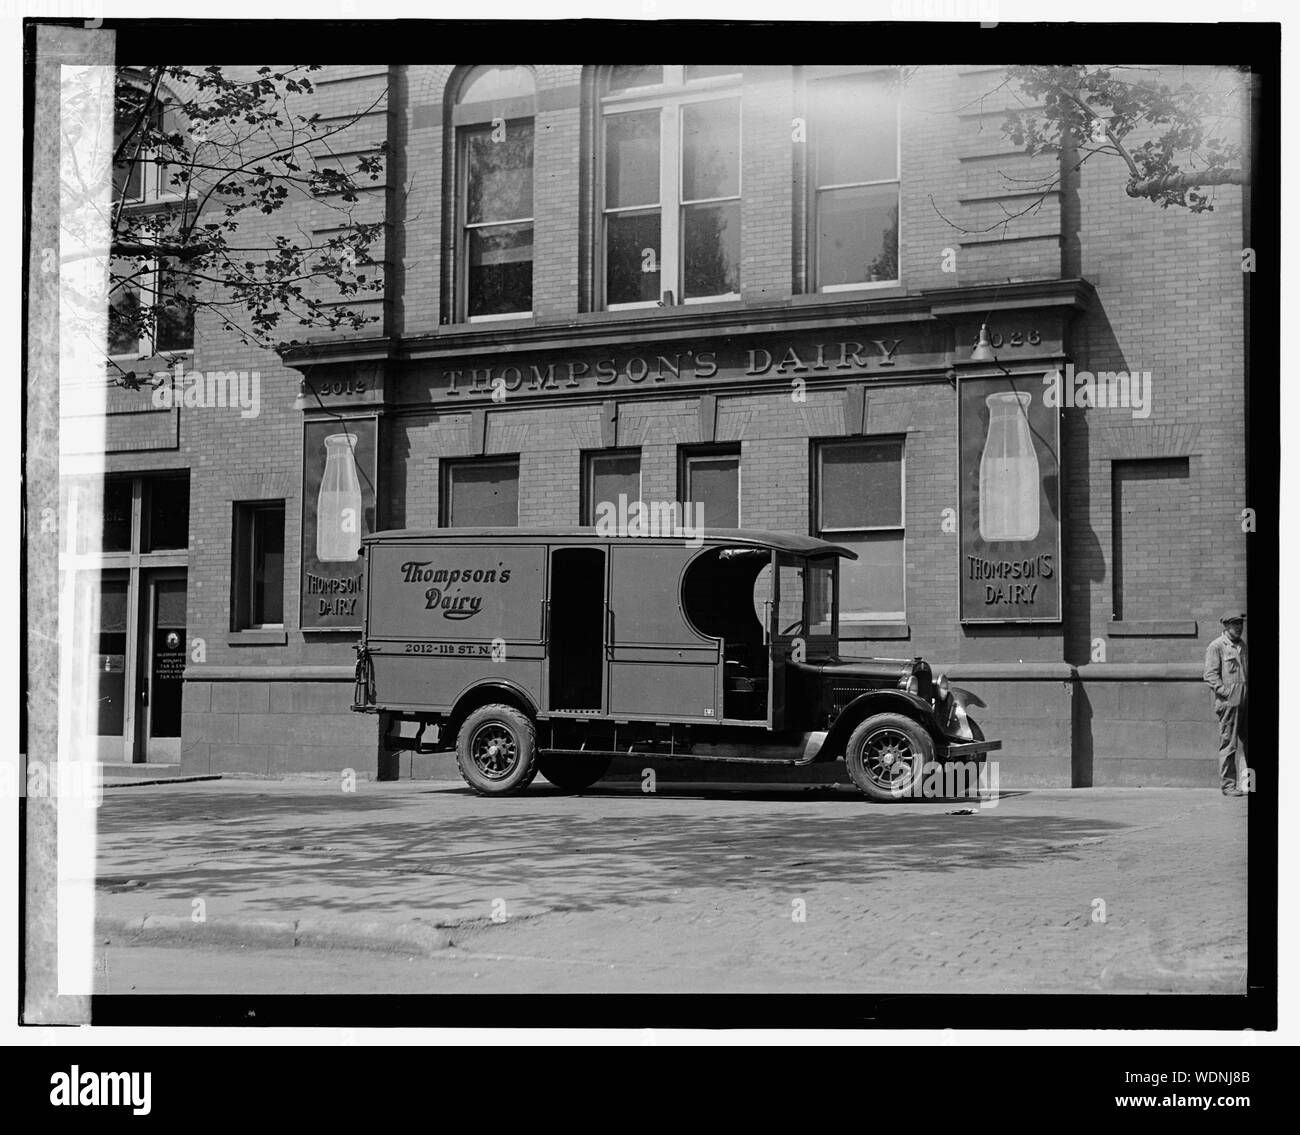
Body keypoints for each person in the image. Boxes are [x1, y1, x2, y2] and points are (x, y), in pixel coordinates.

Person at [1203, 611, 1248, 796]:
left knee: (1248, 744)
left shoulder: (1242, 645)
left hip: (1246, 701)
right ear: (1226, 626)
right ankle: (1228, 786)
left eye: (1240, 624)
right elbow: (1210, 675)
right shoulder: (1216, 646)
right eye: (1235, 624)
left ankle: (1248, 784)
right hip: (1229, 704)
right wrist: (1226, 692)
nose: (1239, 627)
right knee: (1229, 745)